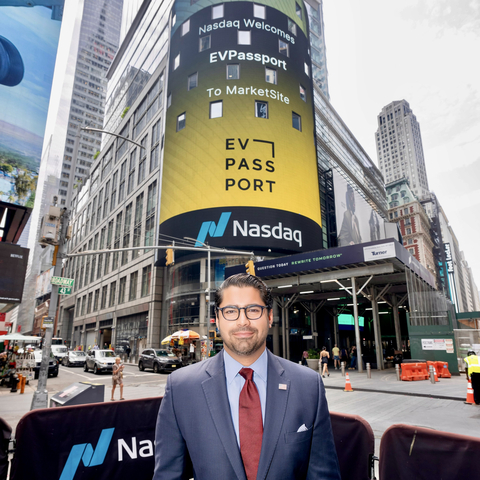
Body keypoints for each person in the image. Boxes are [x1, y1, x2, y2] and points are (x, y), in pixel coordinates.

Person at [154, 273, 340, 480]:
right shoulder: (181, 388)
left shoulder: (308, 385)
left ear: (269, 317)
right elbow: (168, 475)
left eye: (253, 310)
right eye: (231, 311)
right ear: (217, 320)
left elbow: (324, 474)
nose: (243, 321)